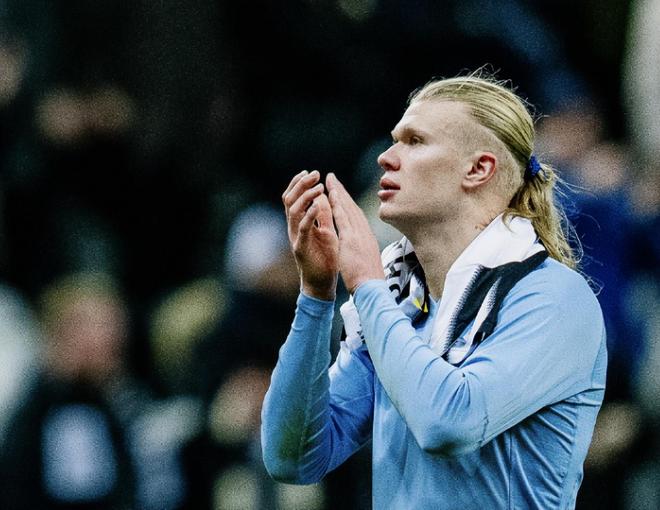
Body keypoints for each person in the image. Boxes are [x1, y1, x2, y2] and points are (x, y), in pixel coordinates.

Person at [260, 71, 607, 509]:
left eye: (415, 141)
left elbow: (450, 423)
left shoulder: (554, 297)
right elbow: (292, 457)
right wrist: (316, 295)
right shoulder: (401, 300)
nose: (386, 157)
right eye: (395, 141)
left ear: (478, 169)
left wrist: (366, 283)